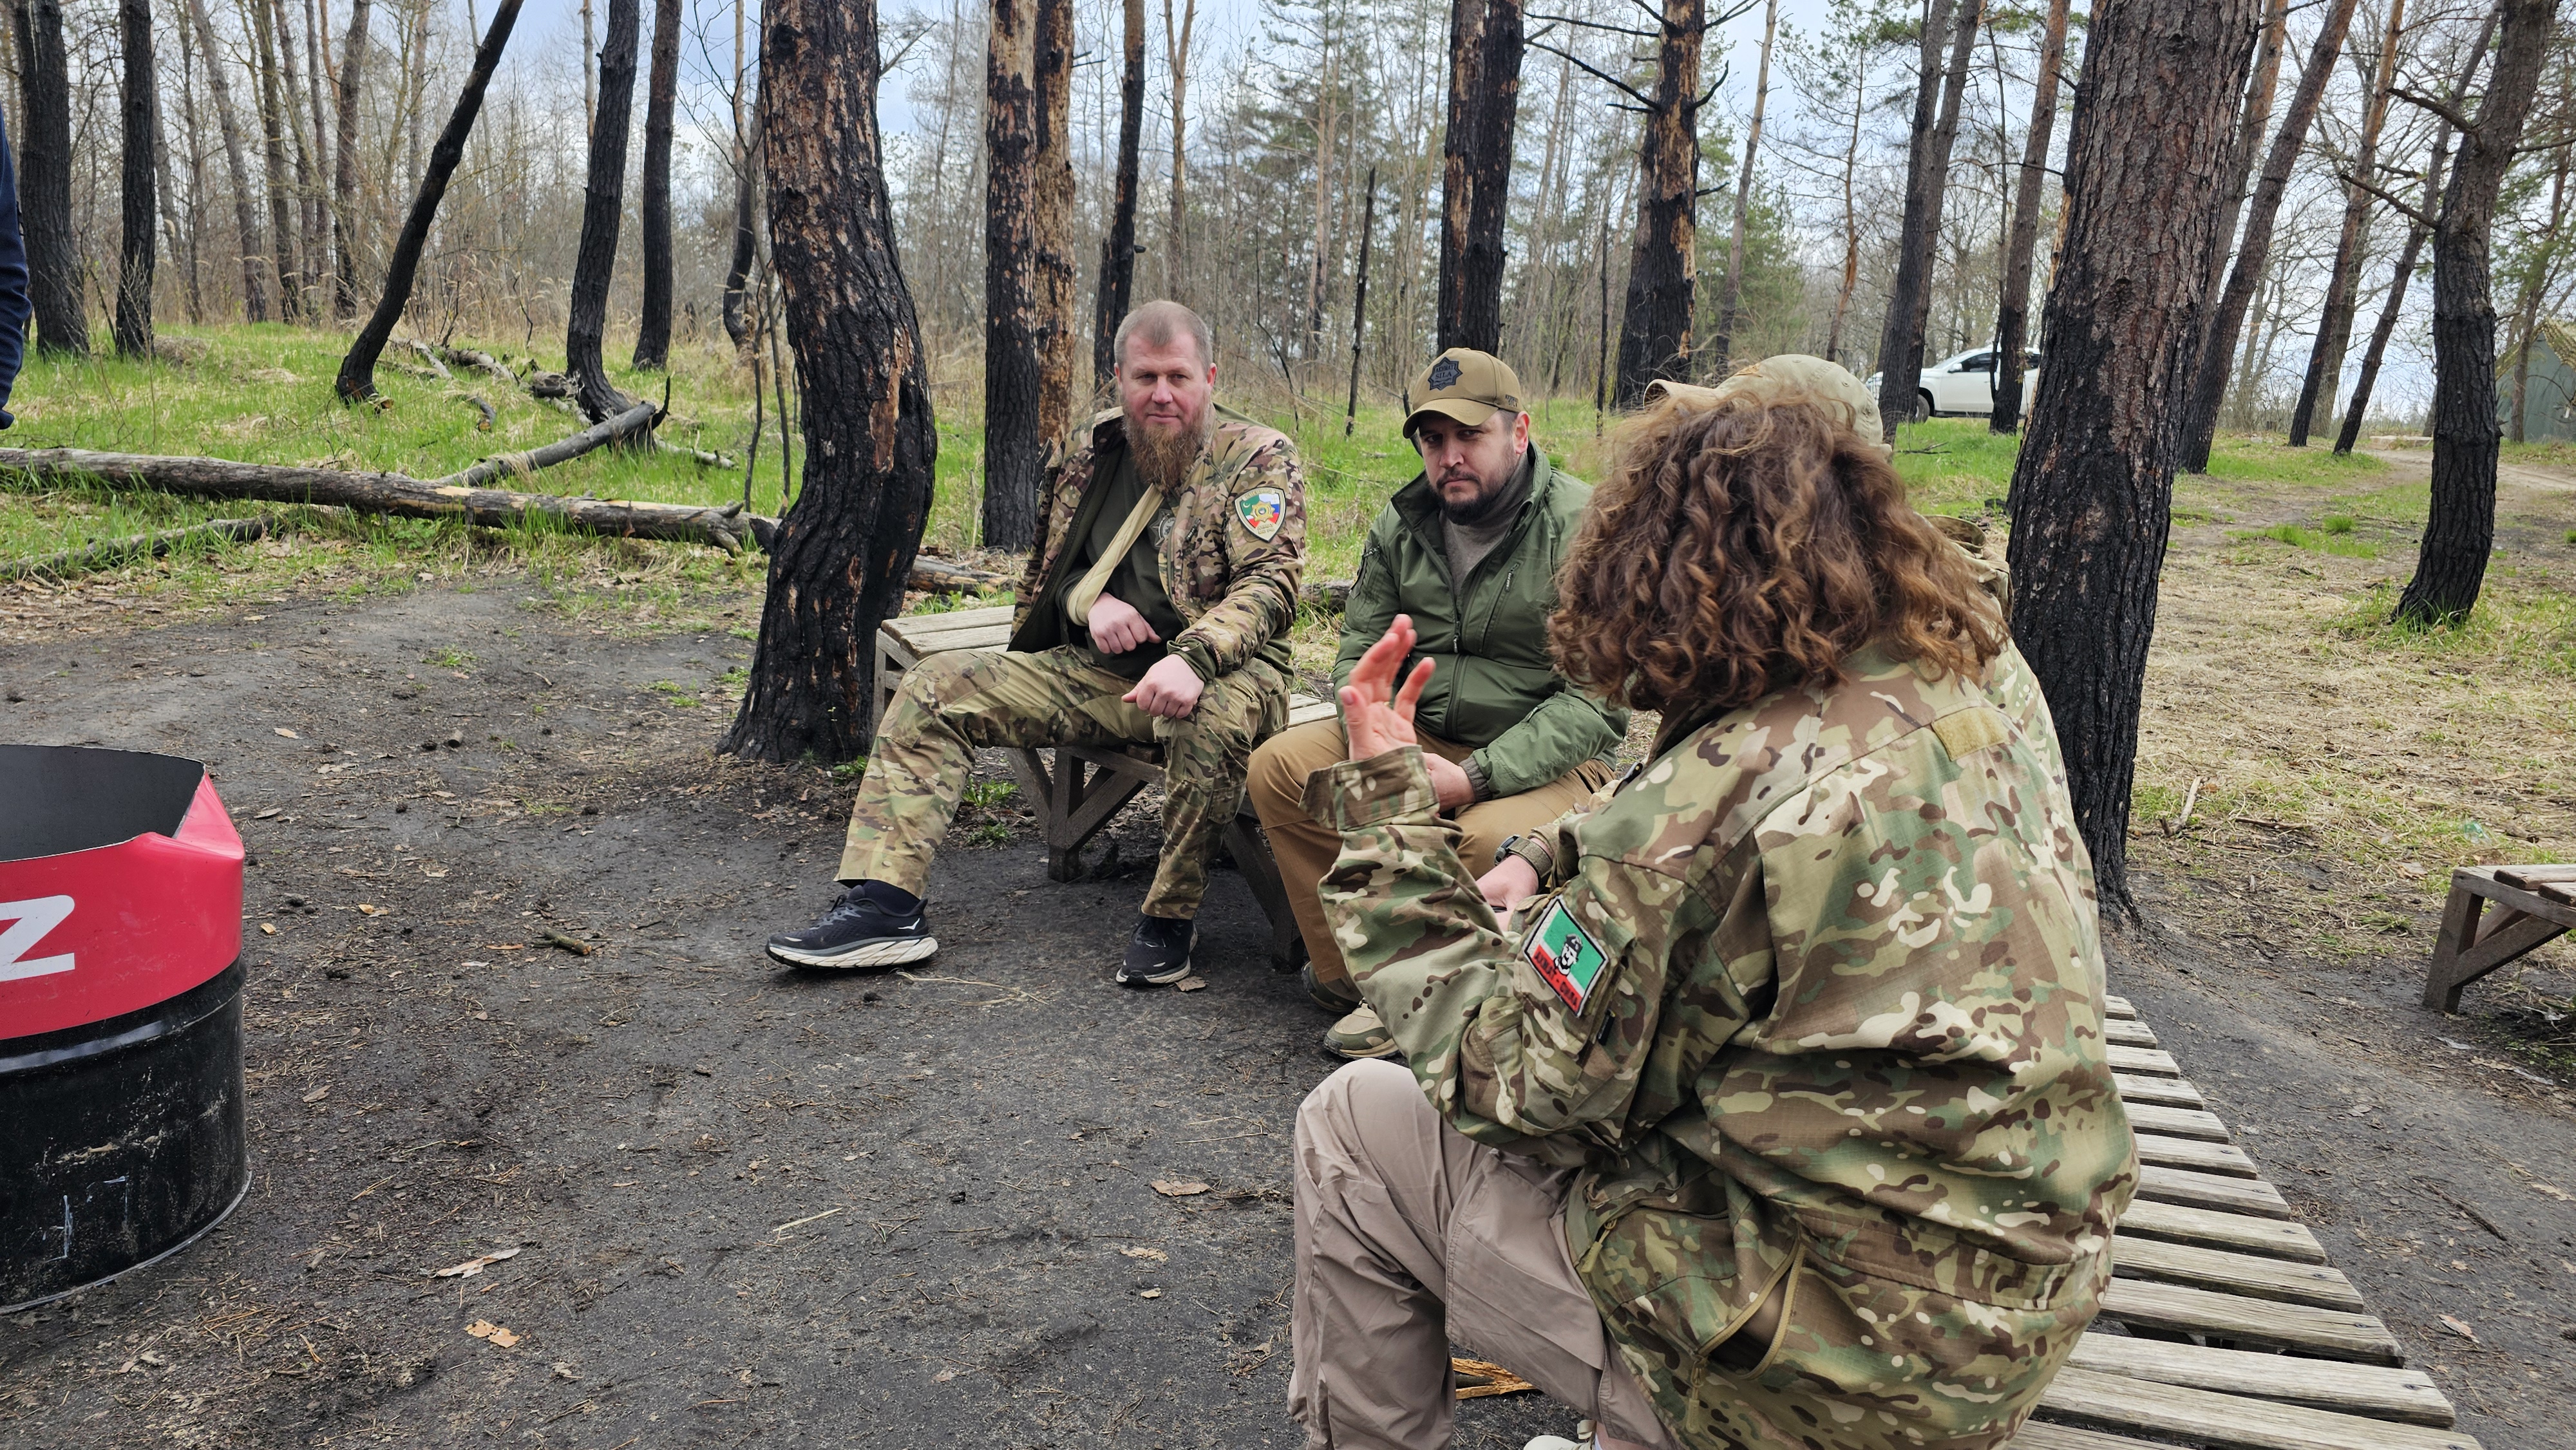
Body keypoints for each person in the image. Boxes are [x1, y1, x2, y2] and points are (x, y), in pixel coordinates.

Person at [1285, 356, 2137, 1450]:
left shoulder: (1712, 808)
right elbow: (1707, 840)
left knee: (1356, 1124)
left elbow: (1518, 1083)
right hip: (2007, 1315)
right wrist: (1556, 854)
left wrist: (1391, 825)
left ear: (1661, 561)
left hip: (1832, 1387)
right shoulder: (1970, 685)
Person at [765, 301, 1305, 986]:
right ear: (1117, 377)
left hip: (1227, 674)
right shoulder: (1093, 450)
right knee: (934, 688)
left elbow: (1271, 585)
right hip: (1102, 673)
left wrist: (1193, 657)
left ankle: (1170, 916)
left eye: (1179, 376)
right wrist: (1090, 599)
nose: (1161, 394)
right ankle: (885, 906)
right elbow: (1046, 573)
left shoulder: (1256, 457)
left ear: (1210, 376)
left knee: (1210, 725)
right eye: (1145, 376)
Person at [1247, 346, 1624, 1060]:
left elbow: (1597, 704)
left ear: (1519, 432)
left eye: (1468, 435)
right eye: (1432, 439)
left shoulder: (1584, 529)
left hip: (1546, 760)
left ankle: (1449, 999)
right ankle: (1360, 975)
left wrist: (1473, 775)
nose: (1449, 456)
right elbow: (1358, 651)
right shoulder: (1403, 523)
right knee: (1280, 770)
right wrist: (1375, 731)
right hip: (1416, 734)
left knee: (1486, 839)